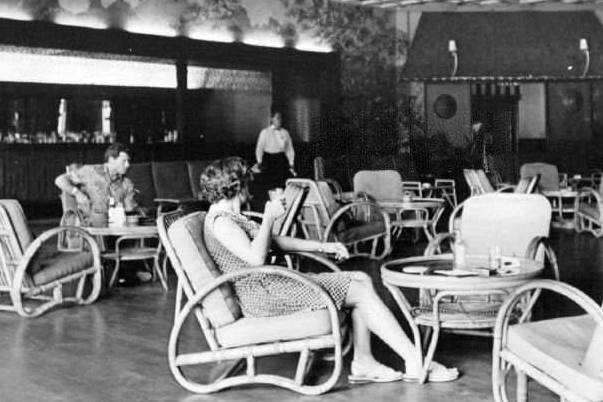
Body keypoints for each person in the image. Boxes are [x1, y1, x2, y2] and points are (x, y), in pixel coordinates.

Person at [200, 156, 460, 384]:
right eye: (246, 181)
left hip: (272, 285)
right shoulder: (222, 222)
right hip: (263, 294)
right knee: (358, 287)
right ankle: (415, 361)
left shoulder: (231, 217)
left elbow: (273, 242)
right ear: (236, 185)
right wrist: (268, 218)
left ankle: (364, 362)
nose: (250, 186)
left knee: (360, 278)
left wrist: (323, 246)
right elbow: (256, 258)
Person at [54, 143, 149, 284]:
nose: (128, 165)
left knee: (133, 224)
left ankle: (123, 271)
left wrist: (136, 210)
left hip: (115, 222)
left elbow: (129, 210)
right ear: (111, 160)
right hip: (92, 219)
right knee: (100, 219)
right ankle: (121, 272)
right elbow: (60, 180)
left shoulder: (127, 183)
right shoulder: (90, 171)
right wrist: (77, 192)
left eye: (129, 161)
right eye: (124, 161)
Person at [252, 110, 295, 206]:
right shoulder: (265, 132)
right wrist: (259, 161)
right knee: (270, 185)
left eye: (281, 118)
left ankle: (282, 207)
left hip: (281, 160)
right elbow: (259, 148)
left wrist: (291, 164)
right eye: (277, 118)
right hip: (269, 160)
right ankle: (273, 206)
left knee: (282, 184)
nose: (280, 120)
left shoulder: (285, 132)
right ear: (272, 119)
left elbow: (289, 149)